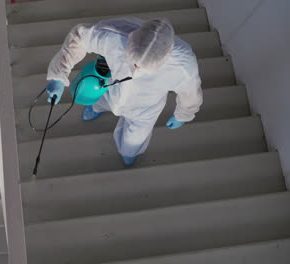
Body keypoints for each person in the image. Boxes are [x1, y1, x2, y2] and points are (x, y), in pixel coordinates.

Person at [45, 18, 203, 167]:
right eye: (134, 61)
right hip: (112, 87)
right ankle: (95, 108)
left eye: (142, 66)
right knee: (100, 100)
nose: (137, 68)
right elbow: (80, 38)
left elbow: (190, 92)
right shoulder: (113, 34)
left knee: (133, 139)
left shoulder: (183, 66)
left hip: (145, 108)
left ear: (166, 56)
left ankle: (129, 152)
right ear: (132, 38)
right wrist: (58, 75)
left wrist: (183, 114)